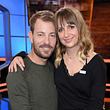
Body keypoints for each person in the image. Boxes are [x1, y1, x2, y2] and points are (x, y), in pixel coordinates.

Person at [8, 7, 106, 110]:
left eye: (71, 27)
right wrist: (19, 56)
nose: (66, 34)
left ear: (80, 28)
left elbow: (96, 104)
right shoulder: (56, 58)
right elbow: (38, 55)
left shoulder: (96, 63)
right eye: (60, 29)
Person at [6, 10, 57, 110]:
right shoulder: (18, 71)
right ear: (31, 37)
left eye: (52, 35)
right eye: (40, 34)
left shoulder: (54, 66)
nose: (47, 41)